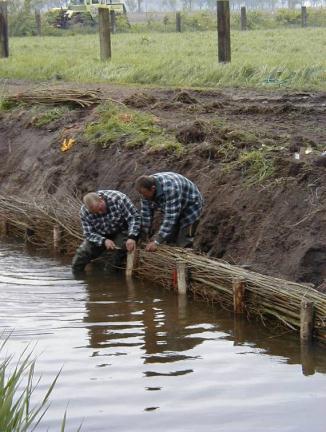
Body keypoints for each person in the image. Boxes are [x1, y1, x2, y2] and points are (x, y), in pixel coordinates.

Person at [72, 190, 140, 273]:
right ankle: (79, 279)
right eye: (96, 212)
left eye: (100, 209)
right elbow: (88, 233)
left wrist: (132, 237)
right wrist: (104, 241)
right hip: (101, 235)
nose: (100, 212)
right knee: (81, 254)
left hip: (121, 231)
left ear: (101, 199)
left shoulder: (118, 199)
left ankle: (108, 280)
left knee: (113, 257)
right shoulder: (84, 212)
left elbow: (134, 218)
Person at [135, 172, 203, 252]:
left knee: (183, 242)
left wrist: (156, 241)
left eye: (145, 195)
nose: (143, 197)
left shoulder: (170, 188)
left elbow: (171, 217)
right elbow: (146, 214)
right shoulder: (145, 190)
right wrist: (143, 236)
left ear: (153, 188)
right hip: (173, 206)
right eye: (142, 195)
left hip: (191, 206)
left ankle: (186, 257)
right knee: (170, 239)